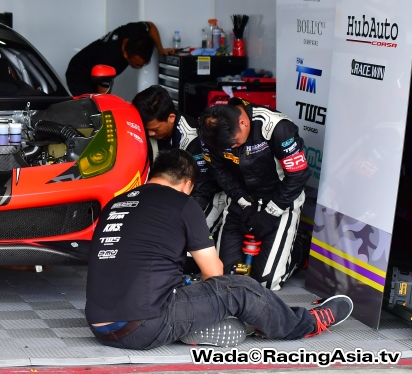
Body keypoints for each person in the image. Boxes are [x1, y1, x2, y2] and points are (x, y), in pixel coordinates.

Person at [85, 148, 353, 350]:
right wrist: (212, 303)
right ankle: (307, 323)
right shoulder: (182, 203)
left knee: (185, 278)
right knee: (239, 288)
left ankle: (255, 318)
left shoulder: (116, 203)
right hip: (143, 327)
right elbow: (214, 273)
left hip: (100, 326)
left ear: (153, 174)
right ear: (188, 184)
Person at [198, 98, 310, 291]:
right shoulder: (210, 134)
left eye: (234, 143)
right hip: (242, 198)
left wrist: (270, 212)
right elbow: (220, 173)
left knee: (267, 282)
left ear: (243, 122)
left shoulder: (275, 127)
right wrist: (243, 202)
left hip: (281, 200)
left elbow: (298, 175)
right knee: (224, 277)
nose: (231, 148)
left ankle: (299, 247)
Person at [132, 85, 226, 234]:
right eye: (146, 128)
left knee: (187, 236)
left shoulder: (193, 138)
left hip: (205, 197)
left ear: (171, 118)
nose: (150, 133)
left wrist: (176, 220)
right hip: (163, 198)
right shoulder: (140, 133)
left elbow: (201, 190)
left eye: (155, 129)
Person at [65, 21, 170, 96]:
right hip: (78, 74)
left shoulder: (135, 31)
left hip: (96, 67)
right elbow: (104, 98)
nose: (141, 67)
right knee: (92, 108)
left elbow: (150, 26)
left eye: (144, 64)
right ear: (125, 54)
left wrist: (160, 49)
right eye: (137, 64)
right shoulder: (109, 60)